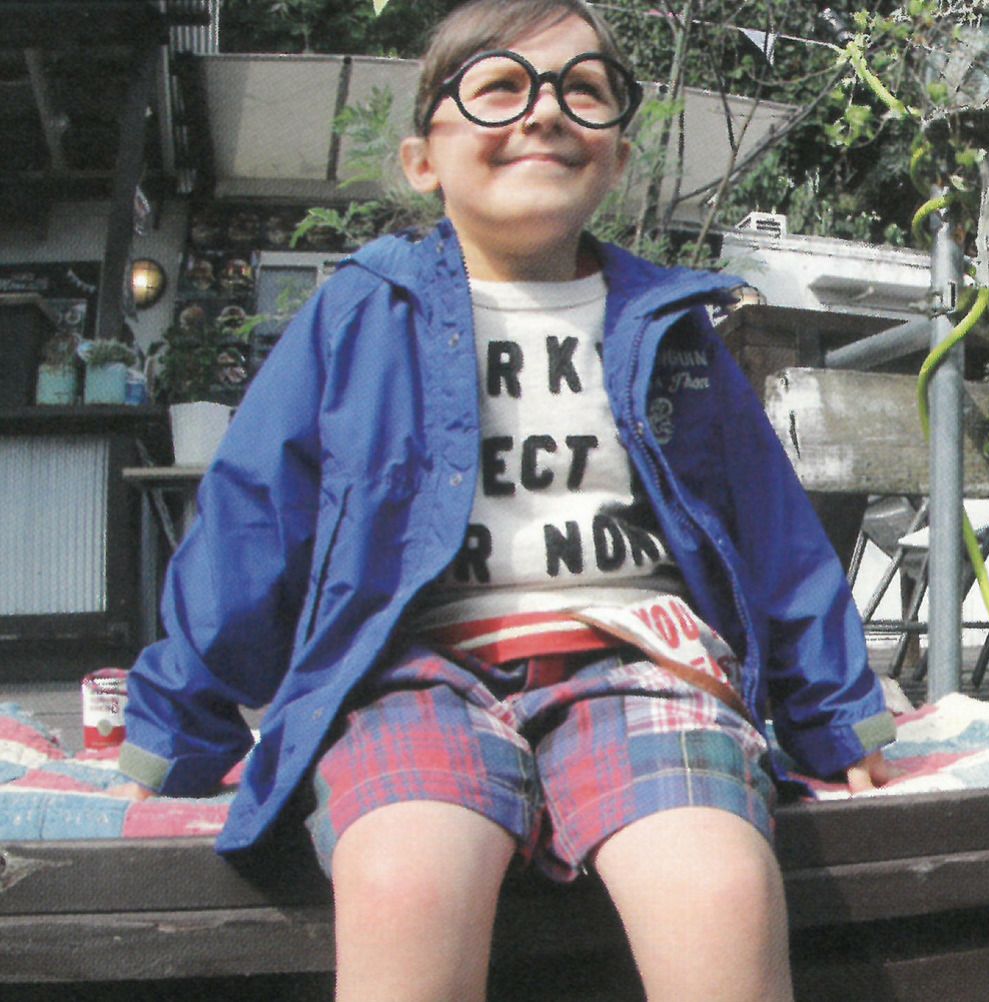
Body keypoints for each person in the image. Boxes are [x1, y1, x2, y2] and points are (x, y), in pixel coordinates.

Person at [112, 2, 894, 999]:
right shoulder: (363, 311)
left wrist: (835, 713)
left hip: (643, 665)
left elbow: (774, 529)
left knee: (721, 890)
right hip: (413, 675)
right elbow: (254, 517)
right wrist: (179, 724)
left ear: (617, 158)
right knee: (401, 879)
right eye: (498, 88)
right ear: (422, 160)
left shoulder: (669, 327)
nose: (545, 112)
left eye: (585, 90)